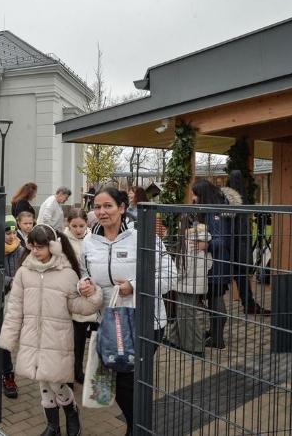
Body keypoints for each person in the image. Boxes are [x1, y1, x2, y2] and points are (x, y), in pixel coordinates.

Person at [79, 187, 175, 436]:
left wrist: (134, 286)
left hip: (145, 321)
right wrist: (84, 285)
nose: (102, 212)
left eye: (108, 205)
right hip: (109, 321)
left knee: (129, 377)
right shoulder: (89, 241)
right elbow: (83, 271)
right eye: (97, 206)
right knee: (120, 377)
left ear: (122, 207)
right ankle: (137, 424)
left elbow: (169, 275)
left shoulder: (144, 237)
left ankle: (137, 426)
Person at [0, 224, 102, 436]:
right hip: (32, 338)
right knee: (43, 384)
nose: (36, 251)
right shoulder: (23, 273)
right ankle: (52, 426)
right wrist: (8, 339)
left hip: (57, 339)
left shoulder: (67, 274)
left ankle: (71, 413)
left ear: (53, 246)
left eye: (41, 247)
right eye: (33, 247)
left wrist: (93, 296)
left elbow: (77, 306)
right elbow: (15, 308)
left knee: (57, 384)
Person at [191, 179, 234, 350]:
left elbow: (221, 240)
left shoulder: (215, 212)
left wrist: (206, 245)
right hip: (215, 263)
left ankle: (218, 339)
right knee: (214, 298)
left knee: (216, 299)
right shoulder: (215, 208)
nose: (193, 198)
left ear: (204, 195)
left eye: (196, 195)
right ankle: (214, 332)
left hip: (217, 264)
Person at [222, 170, 270, 315]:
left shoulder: (227, 197)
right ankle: (248, 304)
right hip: (238, 241)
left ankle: (248, 304)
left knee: (236, 274)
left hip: (232, 241)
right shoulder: (237, 198)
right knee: (240, 274)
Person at [164, 221, 211, 357]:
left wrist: (172, 277)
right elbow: (209, 263)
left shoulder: (189, 241)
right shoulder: (202, 239)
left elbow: (184, 268)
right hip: (196, 283)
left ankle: (196, 346)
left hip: (186, 284)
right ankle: (174, 339)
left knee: (187, 315)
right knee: (183, 313)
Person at [63, 208, 96, 384]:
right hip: (71, 293)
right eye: (74, 225)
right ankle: (69, 371)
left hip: (90, 292)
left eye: (81, 225)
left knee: (85, 336)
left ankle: (80, 370)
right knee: (71, 337)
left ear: (87, 224)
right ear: (68, 223)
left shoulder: (93, 238)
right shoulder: (62, 240)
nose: (78, 229)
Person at [1, 215, 24, 399]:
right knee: (4, 340)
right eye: (7, 232)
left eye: (14, 232)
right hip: (0, 300)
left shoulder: (21, 251)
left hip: (17, 301)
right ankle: (8, 375)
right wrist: (10, 281)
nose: (11, 236)